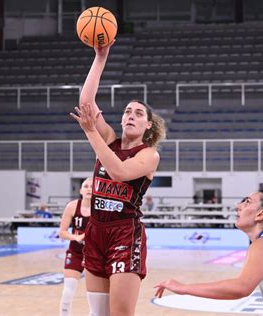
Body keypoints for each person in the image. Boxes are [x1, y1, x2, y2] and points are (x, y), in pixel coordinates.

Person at [70, 40, 166, 316]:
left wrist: (90, 132)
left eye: (138, 113)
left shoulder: (149, 155)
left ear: (148, 125)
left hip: (125, 233)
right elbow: (86, 103)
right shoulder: (110, 139)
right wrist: (100, 58)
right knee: (97, 313)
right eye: (127, 111)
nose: (131, 115)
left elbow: (119, 172)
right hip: (96, 230)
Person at [58, 177, 92, 316]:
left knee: (94, 297)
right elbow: (62, 232)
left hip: (95, 254)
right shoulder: (72, 206)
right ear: (81, 190)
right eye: (86, 186)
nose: (89, 188)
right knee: (67, 292)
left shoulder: (101, 209)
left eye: (92, 186)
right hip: (76, 252)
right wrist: (76, 237)